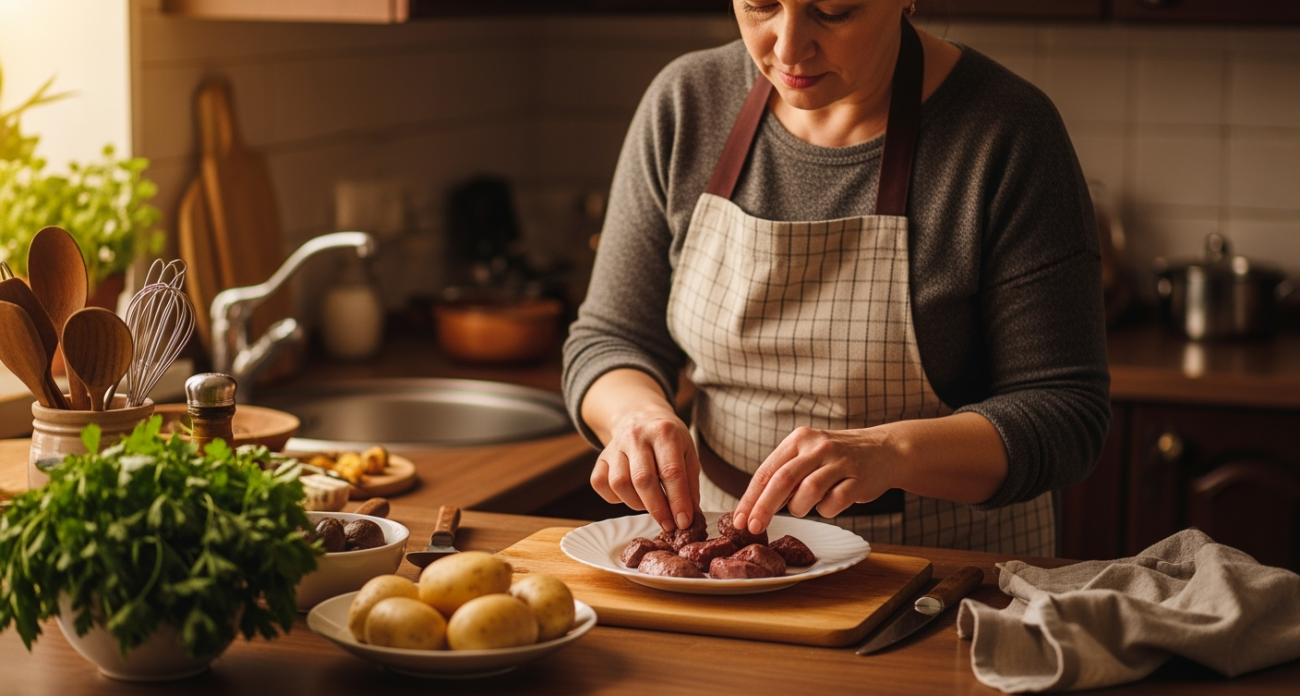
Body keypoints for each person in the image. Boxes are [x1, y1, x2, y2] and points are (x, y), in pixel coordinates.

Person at [561, 0, 1110, 556]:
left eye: (833, 11)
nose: (788, 47)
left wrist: (890, 452)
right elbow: (612, 337)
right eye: (760, 5)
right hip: (720, 561)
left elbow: (1065, 412)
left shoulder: (1007, 130)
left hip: (945, 567)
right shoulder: (687, 102)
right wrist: (636, 414)